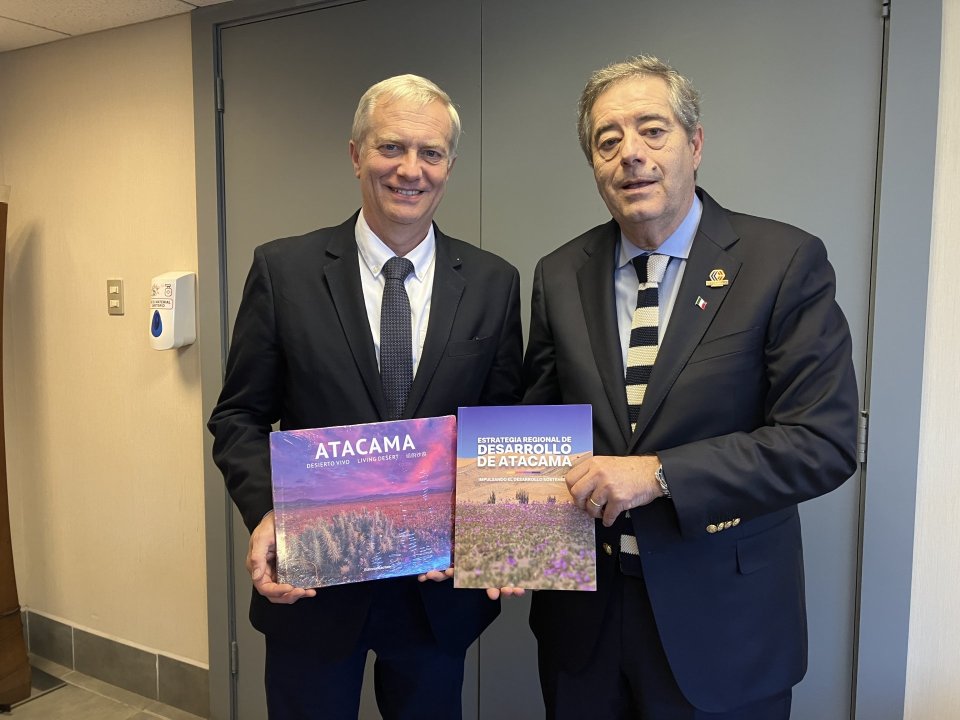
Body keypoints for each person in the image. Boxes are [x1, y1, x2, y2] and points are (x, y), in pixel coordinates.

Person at [521, 55, 860, 719]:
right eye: (607, 140)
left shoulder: (783, 262)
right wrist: (500, 529)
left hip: (724, 626)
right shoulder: (559, 274)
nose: (631, 154)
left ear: (695, 144)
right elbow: (536, 426)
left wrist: (659, 474)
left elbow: (822, 442)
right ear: (593, 164)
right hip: (584, 626)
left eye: (653, 130)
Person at [208, 74, 522, 719]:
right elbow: (239, 415)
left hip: (438, 589)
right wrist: (270, 513)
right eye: (390, 147)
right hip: (315, 580)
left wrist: (500, 535)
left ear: (449, 166)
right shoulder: (284, 271)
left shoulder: (494, 281)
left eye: (430, 153)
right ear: (356, 155)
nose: (410, 170)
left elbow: (505, 425)